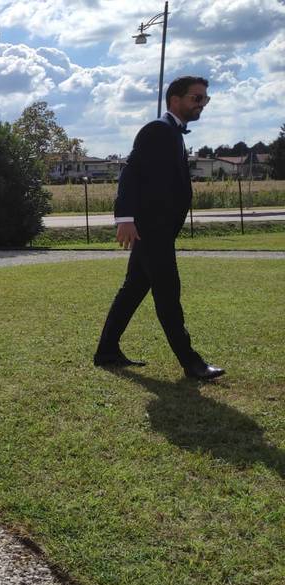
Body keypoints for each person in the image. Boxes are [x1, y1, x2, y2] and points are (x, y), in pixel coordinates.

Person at [94, 76, 224, 381]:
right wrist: (124, 217)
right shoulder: (158, 129)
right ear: (175, 99)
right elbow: (130, 173)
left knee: (132, 291)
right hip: (152, 232)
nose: (202, 104)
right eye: (197, 98)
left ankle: (106, 351)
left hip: (157, 232)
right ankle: (191, 362)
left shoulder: (173, 134)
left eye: (205, 99)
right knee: (168, 294)